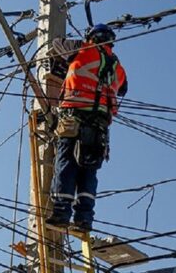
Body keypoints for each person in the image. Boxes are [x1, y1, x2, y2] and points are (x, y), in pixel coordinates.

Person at [45, 23, 128, 232]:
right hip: (100, 125)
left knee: (66, 163)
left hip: (75, 117)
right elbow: (124, 88)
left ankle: (62, 211)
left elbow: (56, 44)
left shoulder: (82, 48)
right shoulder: (117, 67)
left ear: (92, 37)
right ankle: (84, 218)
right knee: (88, 169)